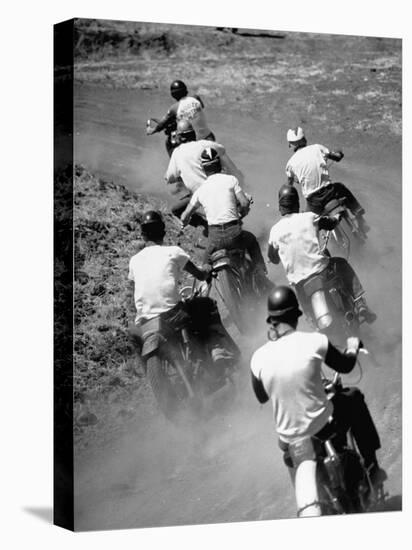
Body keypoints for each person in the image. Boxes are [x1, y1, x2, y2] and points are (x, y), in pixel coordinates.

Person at [250, 286, 386, 514]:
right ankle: (372, 467)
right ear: (296, 316)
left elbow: (261, 396)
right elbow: (345, 366)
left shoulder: (258, 358)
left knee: (289, 453)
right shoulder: (315, 341)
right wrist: (352, 348)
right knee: (353, 397)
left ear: (271, 321)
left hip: (290, 443)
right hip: (323, 429)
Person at [128, 210, 239, 379]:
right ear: (163, 233)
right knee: (206, 306)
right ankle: (217, 349)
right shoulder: (173, 252)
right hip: (172, 315)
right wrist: (207, 269)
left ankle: (153, 376)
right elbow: (200, 275)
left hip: (145, 322)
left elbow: (132, 290)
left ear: (143, 235)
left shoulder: (134, 261)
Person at [267, 184, 376, 324]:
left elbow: (273, 258)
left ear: (281, 206)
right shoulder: (309, 217)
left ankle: (313, 321)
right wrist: (336, 217)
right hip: (322, 271)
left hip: (300, 284)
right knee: (341, 263)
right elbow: (330, 224)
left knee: (305, 308)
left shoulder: (274, 231)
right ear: (296, 203)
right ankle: (360, 302)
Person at [180, 148, 270, 288]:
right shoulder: (231, 180)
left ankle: (205, 290)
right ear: (220, 165)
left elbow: (185, 215)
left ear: (204, 169)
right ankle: (260, 272)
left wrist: (184, 223)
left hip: (215, 241)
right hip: (235, 235)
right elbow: (245, 202)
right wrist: (242, 213)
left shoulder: (200, 190)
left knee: (205, 265)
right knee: (251, 240)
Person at [285, 127, 369, 234]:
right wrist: (339, 153)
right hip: (330, 193)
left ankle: (318, 248)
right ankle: (359, 216)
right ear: (305, 140)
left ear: (290, 144)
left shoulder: (290, 164)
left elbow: (289, 187)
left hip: (314, 202)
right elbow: (337, 157)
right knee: (341, 187)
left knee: (307, 226)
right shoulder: (317, 148)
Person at [165, 119, 244, 232]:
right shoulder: (206, 144)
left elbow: (169, 178)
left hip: (200, 195)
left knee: (176, 210)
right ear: (193, 133)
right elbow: (222, 149)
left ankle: (204, 225)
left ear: (180, 137)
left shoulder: (177, 152)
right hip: (219, 188)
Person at [146, 80, 215, 156]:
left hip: (194, 143)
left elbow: (162, 124)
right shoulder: (196, 98)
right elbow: (200, 108)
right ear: (186, 90)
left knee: (176, 148)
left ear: (173, 95)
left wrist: (152, 130)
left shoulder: (174, 108)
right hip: (209, 137)